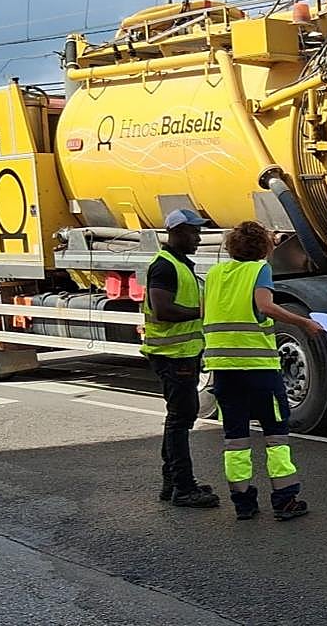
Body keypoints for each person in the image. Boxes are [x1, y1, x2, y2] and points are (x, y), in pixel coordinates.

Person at [203, 221, 324, 520]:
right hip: (258, 369)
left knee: (235, 438)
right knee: (275, 434)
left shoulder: (215, 274)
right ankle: (284, 500)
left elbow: (205, 314)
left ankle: (243, 503)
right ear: (264, 248)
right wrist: (304, 323)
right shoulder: (259, 270)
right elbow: (265, 307)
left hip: (223, 369)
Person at [141, 208, 219, 509]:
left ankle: (173, 482)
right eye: (192, 232)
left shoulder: (178, 264)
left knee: (179, 419)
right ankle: (184, 488)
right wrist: (203, 312)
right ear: (174, 232)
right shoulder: (165, 267)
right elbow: (163, 310)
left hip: (179, 355)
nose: (198, 238)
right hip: (173, 357)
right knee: (180, 421)